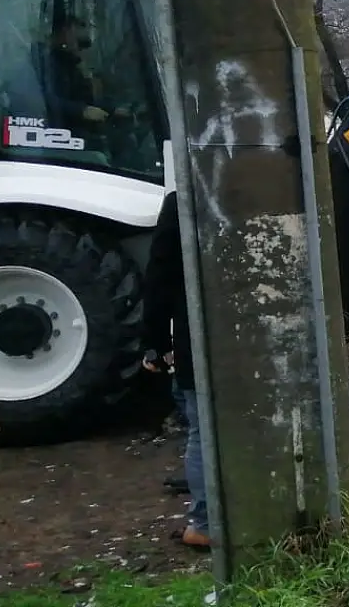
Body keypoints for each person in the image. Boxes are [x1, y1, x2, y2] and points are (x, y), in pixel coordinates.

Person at [140, 191, 211, 550]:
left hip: (197, 338)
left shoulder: (184, 201)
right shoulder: (260, 188)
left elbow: (160, 277)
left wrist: (155, 343)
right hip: (256, 341)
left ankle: (205, 523)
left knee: (203, 432)